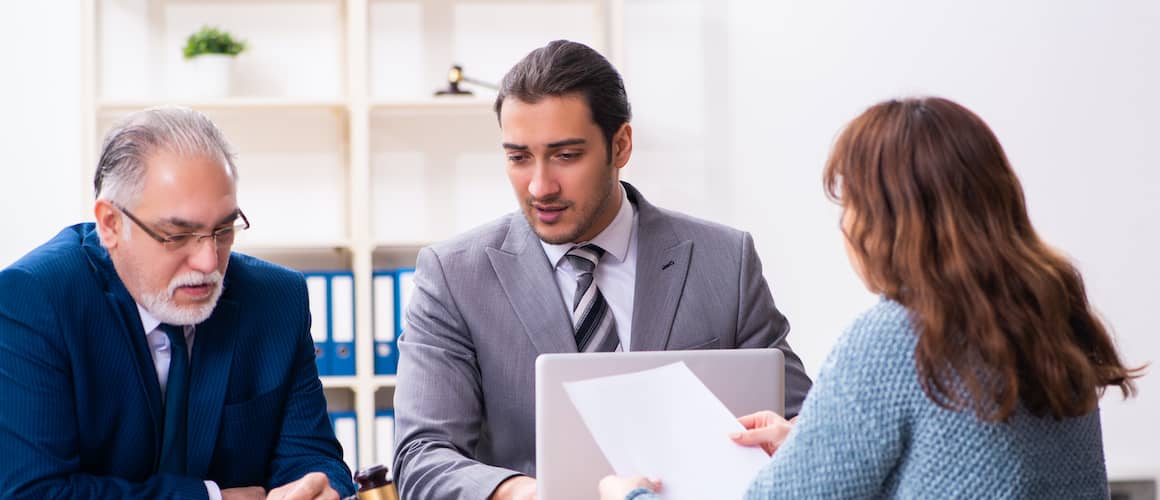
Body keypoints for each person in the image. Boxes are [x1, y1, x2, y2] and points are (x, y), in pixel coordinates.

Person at [600, 96, 1143, 499]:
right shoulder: (1053, 316)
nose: (846, 228)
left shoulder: (896, 338)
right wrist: (809, 445)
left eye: (850, 206)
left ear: (886, 220)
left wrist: (629, 496)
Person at [392, 39, 812, 500]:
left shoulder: (724, 260)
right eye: (518, 157)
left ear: (621, 145)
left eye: (566, 156)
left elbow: (805, 422)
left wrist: (794, 439)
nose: (539, 185)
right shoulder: (452, 276)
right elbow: (422, 457)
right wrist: (542, 496)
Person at [0, 107, 355, 500]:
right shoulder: (35, 300)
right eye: (177, 235)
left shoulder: (276, 300)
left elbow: (312, 457)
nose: (208, 262)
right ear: (111, 224)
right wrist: (211, 498)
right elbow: (32, 492)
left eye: (223, 229)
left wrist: (317, 488)